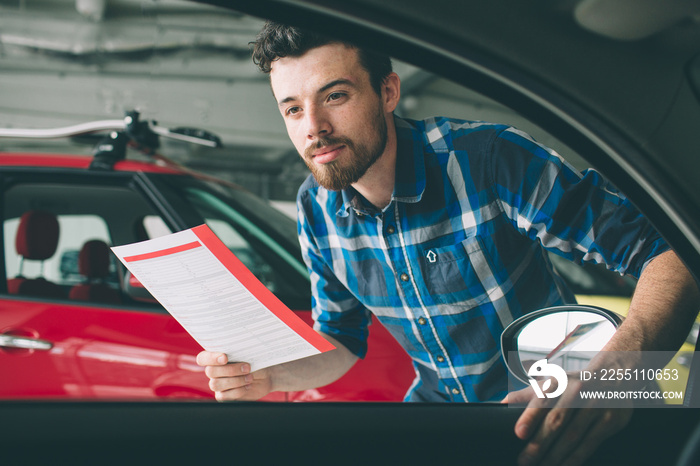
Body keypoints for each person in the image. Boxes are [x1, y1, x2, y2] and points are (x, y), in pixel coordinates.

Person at [197, 21, 700, 466]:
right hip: (439, 424)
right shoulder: (315, 209)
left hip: (555, 415)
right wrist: (265, 377)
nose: (313, 128)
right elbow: (342, 338)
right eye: (292, 109)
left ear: (388, 91)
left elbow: (672, 251)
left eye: (335, 95)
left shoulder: (489, 159)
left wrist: (613, 377)